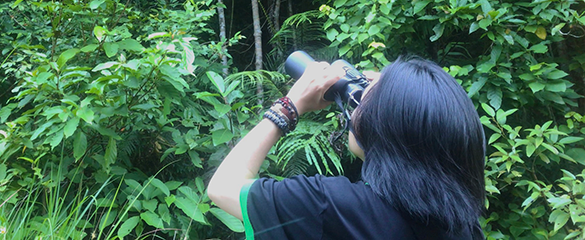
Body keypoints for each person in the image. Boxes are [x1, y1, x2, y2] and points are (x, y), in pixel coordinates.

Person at [207, 56, 486, 239]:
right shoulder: (463, 227)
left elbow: (223, 187)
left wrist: (290, 105)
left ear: (383, 129)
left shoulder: (329, 207)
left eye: (364, 101)